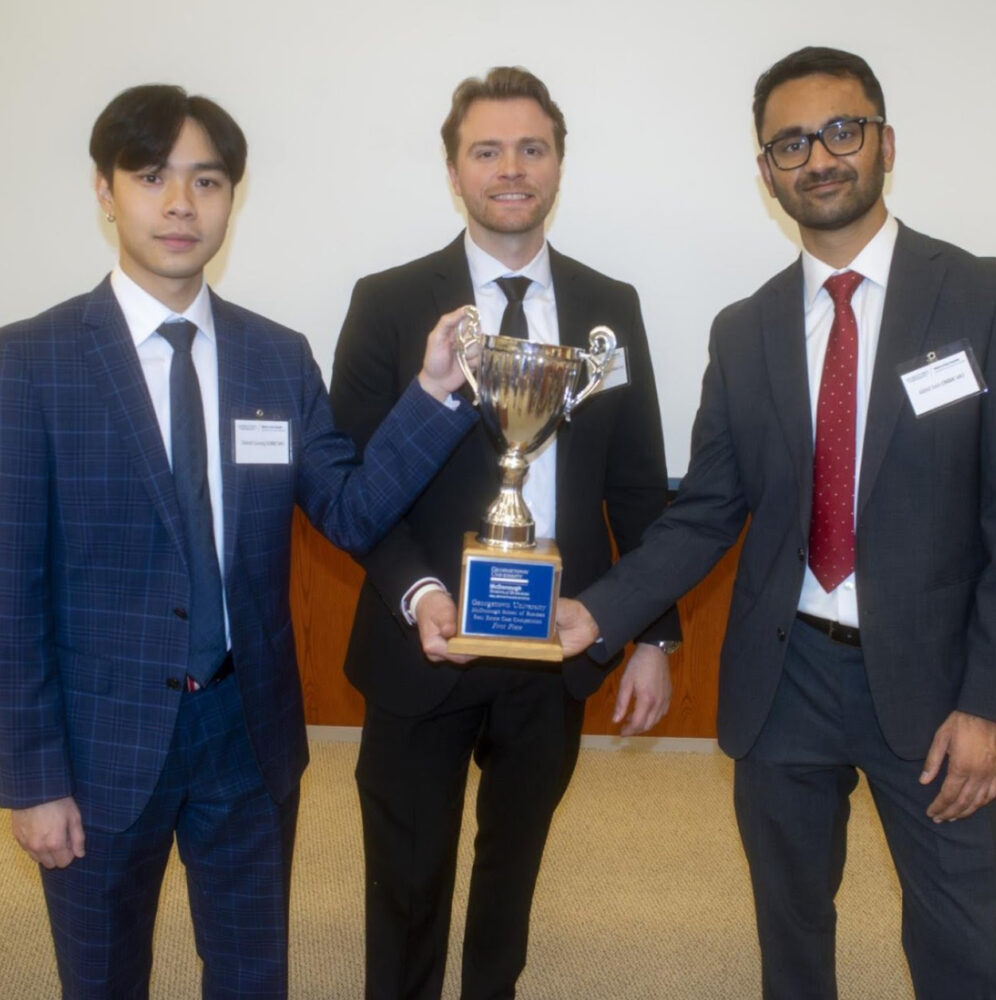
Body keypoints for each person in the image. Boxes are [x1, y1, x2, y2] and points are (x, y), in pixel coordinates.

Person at [0, 84, 477, 999]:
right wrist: (32, 778)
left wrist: (431, 392)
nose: (181, 204)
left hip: (246, 731)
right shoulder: (31, 362)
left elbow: (350, 510)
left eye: (207, 181)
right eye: (152, 177)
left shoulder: (275, 355)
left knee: (255, 975)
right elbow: (12, 591)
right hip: (97, 746)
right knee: (101, 979)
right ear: (105, 191)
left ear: (232, 198)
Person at [557, 46, 996, 998]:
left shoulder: (982, 297)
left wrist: (989, 700)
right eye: (791, 143)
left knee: (970, 941)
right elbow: (708, 509)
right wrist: (599, 611)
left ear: (886, 143)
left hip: (937, 686)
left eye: (842, 131)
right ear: (766, 172)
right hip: (784, 674)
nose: (820, 158)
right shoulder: (744, 328)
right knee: (791, 936)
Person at [330, 66, 681, 1000]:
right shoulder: (388, 301)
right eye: (487, 150)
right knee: (405, 880)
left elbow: (641, 483)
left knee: (513, 869)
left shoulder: (614, 307)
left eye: (532, 147)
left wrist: (650, 630)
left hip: (558, 635)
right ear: (456, 170)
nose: (511, 168)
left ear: (559, 162)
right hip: (424, 637)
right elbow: (356, 494)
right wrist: (420, 592)